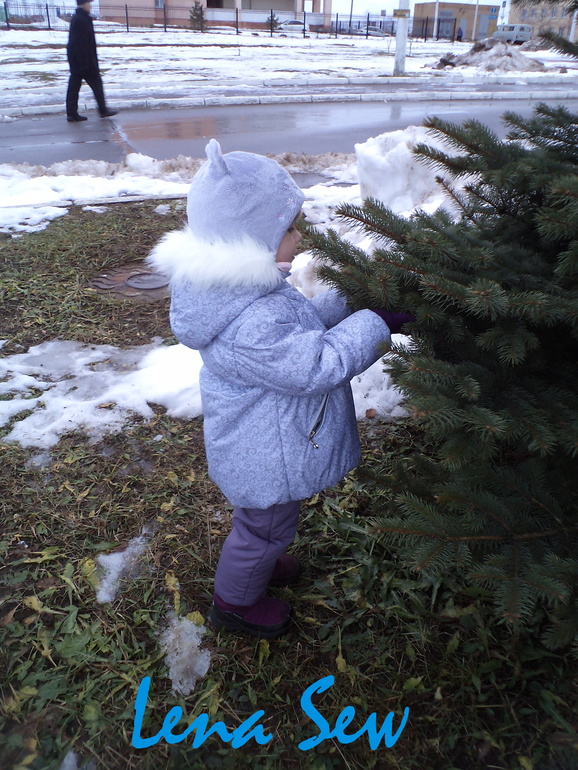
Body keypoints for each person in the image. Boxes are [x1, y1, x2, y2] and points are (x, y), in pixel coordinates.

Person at [147, 140, 414, 639]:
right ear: (252, 238)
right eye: (288, 226)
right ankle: (236, 603)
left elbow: (298, 330)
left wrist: (347, 302)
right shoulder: (250, 315)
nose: (298, 235)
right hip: (266, 454)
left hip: (264, 444)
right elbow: (314, 363)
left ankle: (260, 564)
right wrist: (373, 323)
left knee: (265, 526)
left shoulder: (245, 292)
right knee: (263, 530)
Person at [66, 0, 117, 122]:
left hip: (78, 59)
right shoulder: (81, 20)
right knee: (95, 84)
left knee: (74, 86)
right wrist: (84, 62)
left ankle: (72, 113)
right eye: (89, 3)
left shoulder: (80, 18)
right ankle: (102, 110)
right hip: (83, 60)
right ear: (83, 4)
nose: (91, 6)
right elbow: (79, 43)